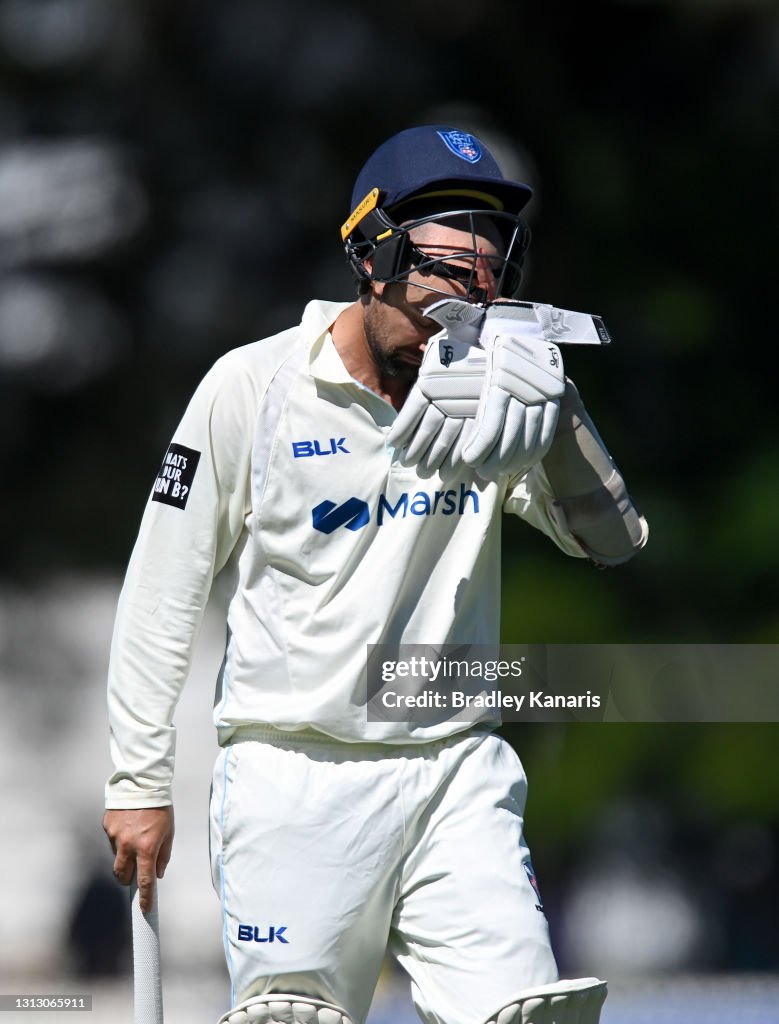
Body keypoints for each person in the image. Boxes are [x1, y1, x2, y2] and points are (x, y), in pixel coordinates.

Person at [103, 125, 647, 1024]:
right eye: (441, 273)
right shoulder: (255, 386)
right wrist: (138, 784)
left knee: (527, 1016)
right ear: (370, 254)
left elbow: (614, 540)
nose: (461, 311)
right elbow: (162, 591)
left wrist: (558, 416)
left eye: (486, 279)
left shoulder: (501, 400)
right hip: (294, 771)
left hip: (455, 770)